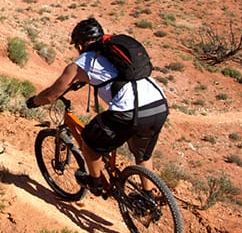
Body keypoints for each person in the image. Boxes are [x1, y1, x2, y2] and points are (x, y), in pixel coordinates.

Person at [26, 17, 168, 196]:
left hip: (129, 111)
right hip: (158, 103)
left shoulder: (83, 62)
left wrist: (33, 102)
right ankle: (148, 197)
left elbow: (50, 95)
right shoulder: (114, 54)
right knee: (142, 154)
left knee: (90, 142)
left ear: (79, 44)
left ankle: (95, 183)